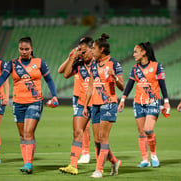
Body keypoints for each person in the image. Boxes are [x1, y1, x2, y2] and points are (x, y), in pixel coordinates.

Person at [0, 37, 58, 174]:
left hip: (35, 101)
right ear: (18, 49)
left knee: (28, 132)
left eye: (26, 49)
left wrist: (54, 95)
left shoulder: (39, 63)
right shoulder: (12, 64)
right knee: (23, 135)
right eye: (21, 49)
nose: (23, 52)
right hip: (18, 103)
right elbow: (3, 77)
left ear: (31, 49)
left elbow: (49, 80)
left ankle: (29, 164)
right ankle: (26, 162)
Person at [118, 42, 170, 168]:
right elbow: (130, 85)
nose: (134, 54)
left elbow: (162, 84)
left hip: (153, 101)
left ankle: (153, 155)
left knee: (148, 129)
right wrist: (123, 100)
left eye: (136, 51)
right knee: (141, 132)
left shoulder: (157, 66)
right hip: (138, 102)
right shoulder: (135, 68)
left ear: (144, 52)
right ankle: (145, 160)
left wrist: (166, 102)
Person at [83, 33, 124, 178]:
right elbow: (90, 85)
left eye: (93, 48)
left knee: (103, 138)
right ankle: (114, 161)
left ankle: (99, 169)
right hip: (95, 105)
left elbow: (122, 86)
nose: (91, 51)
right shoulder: (94, 64)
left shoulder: (114, 64)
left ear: (101, 49)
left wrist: (114, 77)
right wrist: (85, 105)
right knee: (96, 140)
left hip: (109, 104)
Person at [58, 37, 94, 175]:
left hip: (96, 102)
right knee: (79, 130)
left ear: (92, 49)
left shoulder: (98, 64)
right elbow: (64, 73)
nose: (81, 53)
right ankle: (74, 163)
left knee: (99, 137)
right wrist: (71, 57)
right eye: (80, 50)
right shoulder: (78, 63)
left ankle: (111, 160)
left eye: (84, 51)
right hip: (80, 99)